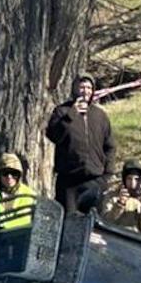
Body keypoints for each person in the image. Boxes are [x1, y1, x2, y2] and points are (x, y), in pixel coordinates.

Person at [47, 75, 116, 212]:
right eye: (82, 87)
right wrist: (71, 115)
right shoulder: (62, 111)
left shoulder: (100, 115)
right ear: (75, 89)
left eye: (89, 88)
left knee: (92, 220)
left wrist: (107, 174)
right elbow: (53, 136)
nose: (86, 91)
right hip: (69, 181)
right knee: (69, 219)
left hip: (95, 179)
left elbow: (110, 146)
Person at [0, 153, 36, 230]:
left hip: (20, 237)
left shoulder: (30, 196)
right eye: (5, 173)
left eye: (14, 173)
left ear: (19, 175)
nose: (9, 177)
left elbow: (38, 227)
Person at [101, 159, 141, 234]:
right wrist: (119, 205)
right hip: (115, 235)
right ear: (124, 179)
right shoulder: (112, 195)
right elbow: (105, 222)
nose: (133, 183)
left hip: (136, 237)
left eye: (136, 179)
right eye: (129, 179)